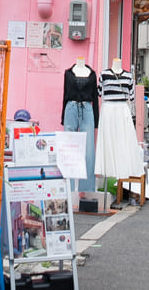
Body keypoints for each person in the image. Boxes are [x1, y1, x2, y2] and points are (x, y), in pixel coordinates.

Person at [61, 57, 98, 195]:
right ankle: (67, 190)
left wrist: (96, 118)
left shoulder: (92, 74)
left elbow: (95, 97)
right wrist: (62, 118)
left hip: (87, 109)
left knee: (89, 150)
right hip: (70, 108)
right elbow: (65, 95)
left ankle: (87, 191)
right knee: (68, 149)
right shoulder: (68, 73)